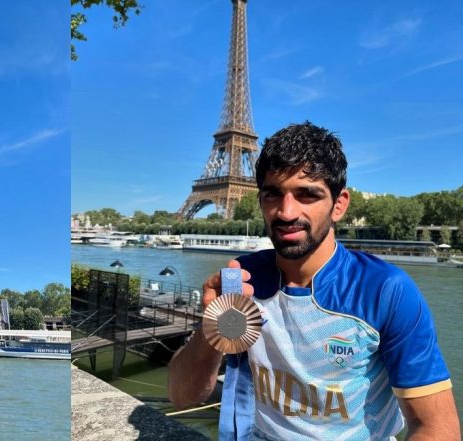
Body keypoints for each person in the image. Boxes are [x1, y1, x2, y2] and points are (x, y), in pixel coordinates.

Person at [167, 122, 459, 440]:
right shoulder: (243, 279)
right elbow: (184, 397)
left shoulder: (386, 290)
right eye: (272, 195)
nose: (286, 211)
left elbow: (437, 427)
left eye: (307, 194)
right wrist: (212, 328)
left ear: (339, 205)